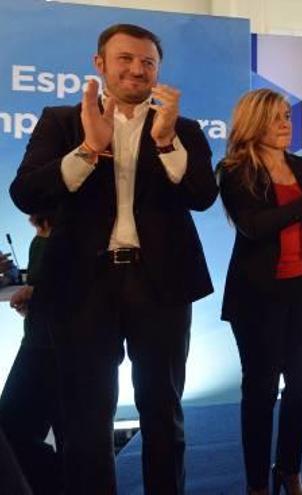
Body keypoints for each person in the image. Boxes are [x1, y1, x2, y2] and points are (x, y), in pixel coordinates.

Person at [9, 24, 217, 494]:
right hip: (83, 288)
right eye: (125, 59)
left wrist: (165, 143)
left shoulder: (182, 129)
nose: (136, 69)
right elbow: (25, 193)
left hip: (160, 285)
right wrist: (89, 149)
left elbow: (203, 196)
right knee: (85, 417)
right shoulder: (62, 121)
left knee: (163, 411)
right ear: (100, 64)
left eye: (147, 62)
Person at [218, 89, 302, 495]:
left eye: (288, 115)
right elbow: (256, 226)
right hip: (258, 298)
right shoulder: (235, 170)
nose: (286, 124)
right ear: (254, 123)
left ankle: (290, 470)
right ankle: (257, 483)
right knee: (261, 389)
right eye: (276, 118)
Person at [1, 213, 63, 494]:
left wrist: (34, 294)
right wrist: (31, 303)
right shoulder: (40, 238)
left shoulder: (69, 231)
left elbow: (82, 283)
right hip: (38, 342)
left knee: (13, 432)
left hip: (60, 348)